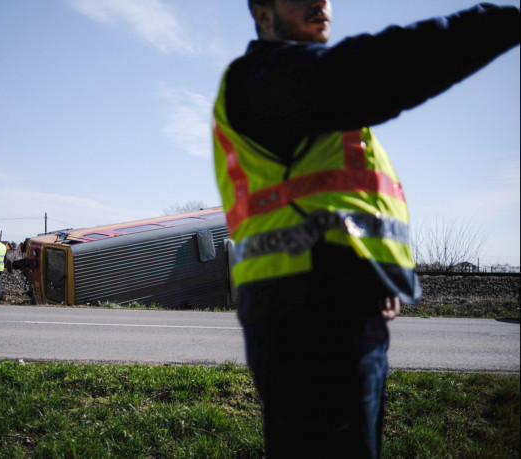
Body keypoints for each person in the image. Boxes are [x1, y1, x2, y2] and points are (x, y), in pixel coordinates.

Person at [212, 2, 519, 458]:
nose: (321, 2)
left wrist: (372, 271)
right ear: (262, 11)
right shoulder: (263, 79)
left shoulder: (289, 93)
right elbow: (380, 68)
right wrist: (506, 20)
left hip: (327, 302)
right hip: (312, 315)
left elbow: (336, 201)